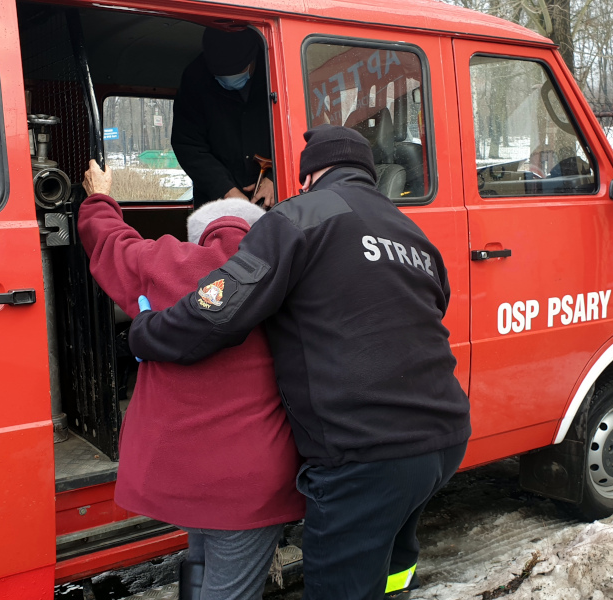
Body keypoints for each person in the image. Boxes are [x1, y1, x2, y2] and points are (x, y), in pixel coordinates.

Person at [128, 126, 473, 600]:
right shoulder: (409, 230)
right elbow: (434, 306)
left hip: (367, 454)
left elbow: (218, 309)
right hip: (444, 438)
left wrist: (145, 332)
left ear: (309, 175)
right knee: (392, 564)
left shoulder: (299, 216)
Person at [76, 160, 305, 600]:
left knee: (200, 559)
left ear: (197, 236)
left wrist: (100, 197)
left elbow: (110, 240)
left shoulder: (159, 263)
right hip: (250, 483)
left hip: (182, 475)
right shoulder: (285, 281)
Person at [172, 27, 275, 209]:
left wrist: (275, 178)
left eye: (237, 71)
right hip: (216, 200)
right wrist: (226, 190)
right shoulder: (195, 78)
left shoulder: (278, 68)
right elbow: (188, 145)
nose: (228, 78)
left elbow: (301, 132)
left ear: (253, 60)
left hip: (275, 197)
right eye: (221, 75)